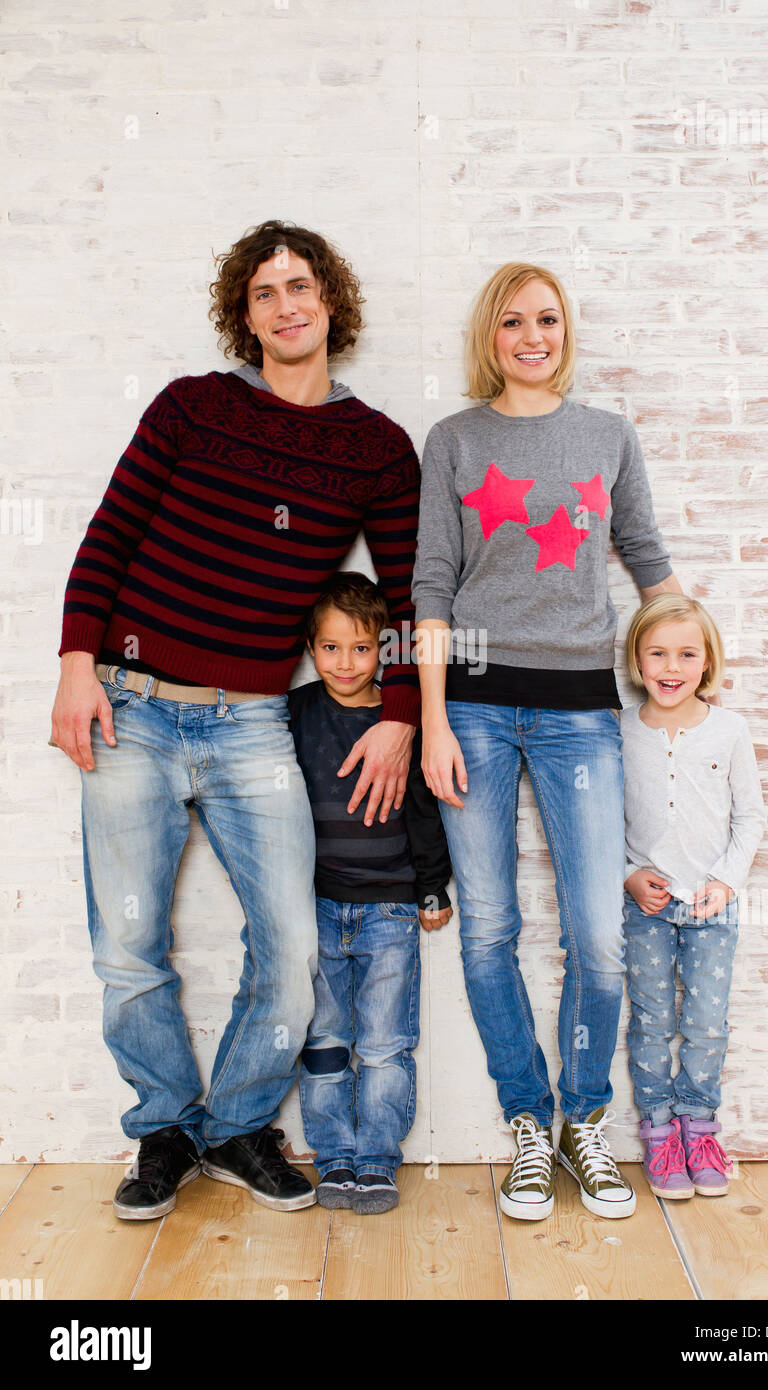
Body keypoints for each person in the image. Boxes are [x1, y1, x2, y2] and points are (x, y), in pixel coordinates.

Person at [50, 220, 422, 1220]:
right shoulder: (190, 407)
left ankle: (238, 1125)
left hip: (253, 724)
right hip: (129, 712)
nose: (286, 303)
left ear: (331, 302)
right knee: (128, 947)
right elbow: (108, 536)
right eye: (264, 291)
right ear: (243, 313)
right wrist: (74, 667)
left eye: (300, 285)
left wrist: (398, 716)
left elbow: (411, 593)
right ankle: (166, 1126)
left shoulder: (376, 449)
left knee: (293, 943)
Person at [412, 261, 684, 1221]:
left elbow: (647, 560)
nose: (534, 336)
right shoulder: (452, 440)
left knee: (599, 939)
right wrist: (434, 719)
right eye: (515, 322)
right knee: (490, 929)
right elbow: (431, 588)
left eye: (550, 320)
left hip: (582, 714)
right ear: (490, 334)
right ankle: (529, 1122)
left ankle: (585, 1123)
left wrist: (686, 665)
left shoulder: (607, 435)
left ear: (566, 332)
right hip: (475, 713)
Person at [289, 573, 452, 1214]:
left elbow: (422, 809)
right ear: (310, 648)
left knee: (385, 1042)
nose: (346, 663)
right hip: (318, 905)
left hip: (390, 908)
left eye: (361, 648)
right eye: (331, 648)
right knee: (325, 1037)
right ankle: (332, 1157)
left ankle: (378, 1158)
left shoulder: (398, 721)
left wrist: (432, 887)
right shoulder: (296, 712)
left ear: (383, 650)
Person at [620, 595, 766, 1198]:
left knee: (705, 1024)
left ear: (707, 663)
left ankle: (700, 1128)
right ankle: (658, 1133)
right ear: (637, 660)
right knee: (652, 1021)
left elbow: (751, 817)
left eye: (686, 653)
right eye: (657, 653)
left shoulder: (729, 730)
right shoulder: (620, 729)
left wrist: (726, 881)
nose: (671, 666)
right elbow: (602, 818)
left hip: (713, 905)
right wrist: (629, 874)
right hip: (647, 904)